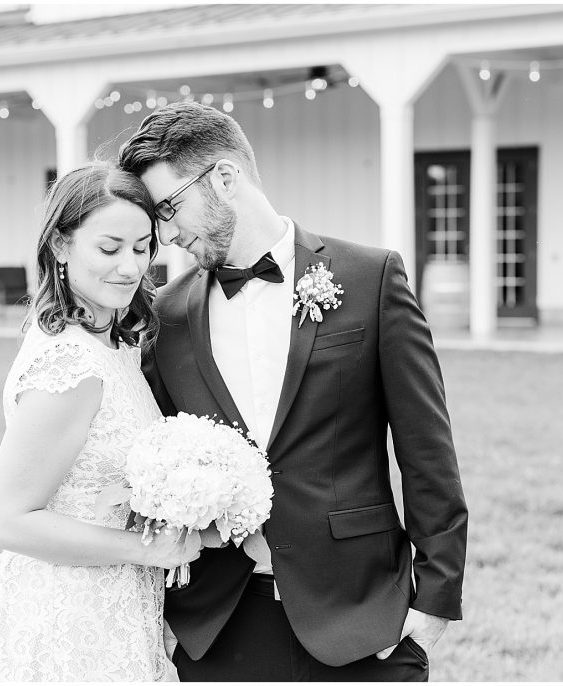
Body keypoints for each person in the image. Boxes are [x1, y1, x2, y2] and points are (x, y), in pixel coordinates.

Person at [118, 101, 468, 681]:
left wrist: (434, 600)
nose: (168, 234)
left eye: (170, 208)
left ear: (225, 178)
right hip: (220, 622)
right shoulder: (168, 313)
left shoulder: (370, 278)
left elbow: (427, 449)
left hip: (360, 612)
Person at [0, 161, 202, 682]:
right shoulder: (71, 365)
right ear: (60, 245)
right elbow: (8, 520)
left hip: (115, 604)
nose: (130, 266)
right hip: (69, 616)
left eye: (142, 247)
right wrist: (152, 550)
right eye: (109, 248)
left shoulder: (112, 346)